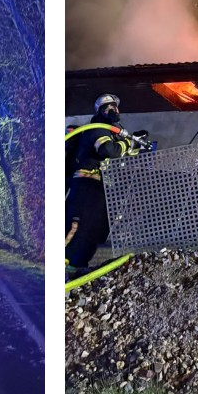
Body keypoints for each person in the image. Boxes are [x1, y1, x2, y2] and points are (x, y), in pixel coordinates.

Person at [65, 93, 137, 279]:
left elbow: (119, 155)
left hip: (100, 187)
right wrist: (127, 142)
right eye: (109, 107)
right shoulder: (97, 130)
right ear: (100, 112)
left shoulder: (112, 132)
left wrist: (132, 147)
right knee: (79, 225)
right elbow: (107, 151)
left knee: (97, 229)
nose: (114, 110)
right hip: (87, 184)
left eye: (115, 107)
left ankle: (76, 266)